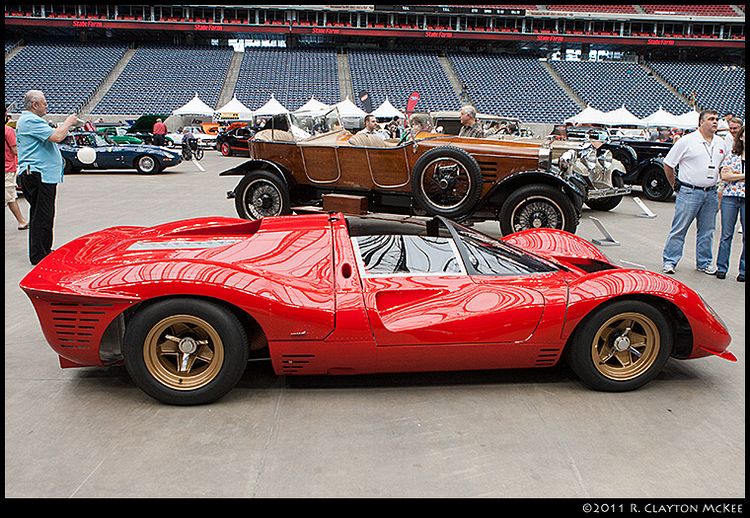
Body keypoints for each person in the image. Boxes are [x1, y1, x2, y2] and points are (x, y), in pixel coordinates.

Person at [661, 110, 726, 275]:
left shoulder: (721, 143)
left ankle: (704, 263)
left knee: (707, 231)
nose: (715, 122)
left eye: (716, 119)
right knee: (679, 228)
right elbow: (668, 164)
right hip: (690, 191)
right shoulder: (687, 141)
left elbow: (723, 167)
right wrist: (674, 184)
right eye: (711, 119)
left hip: (711, 192)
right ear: (701, 122)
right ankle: (670, 261)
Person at [16, 90, 77, 265]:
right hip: (38, 174)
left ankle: (42, 249)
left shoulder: (30, 120)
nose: (46, 106)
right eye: (44, 103)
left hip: (39, 173)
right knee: (42, 214)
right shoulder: (30, 120)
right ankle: (39, 254)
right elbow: (57, 136)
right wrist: (67, 123)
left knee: (41, 213)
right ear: (34, 105)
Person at [715, 125, 745, 282]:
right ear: (741, 137)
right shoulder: (732, 156)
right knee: (727, 233)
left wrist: (736, 175)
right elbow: (725, 176)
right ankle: (721, 267)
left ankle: (744, 270)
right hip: (730, 197)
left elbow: (730, 175)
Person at [5, 108, 28, 230]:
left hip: (8, 168)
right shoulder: (8, 131)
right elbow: (15, 150)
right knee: (9, 196)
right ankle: (21, 221)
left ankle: (21, 221)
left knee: (11, 196)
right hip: (7, 168)